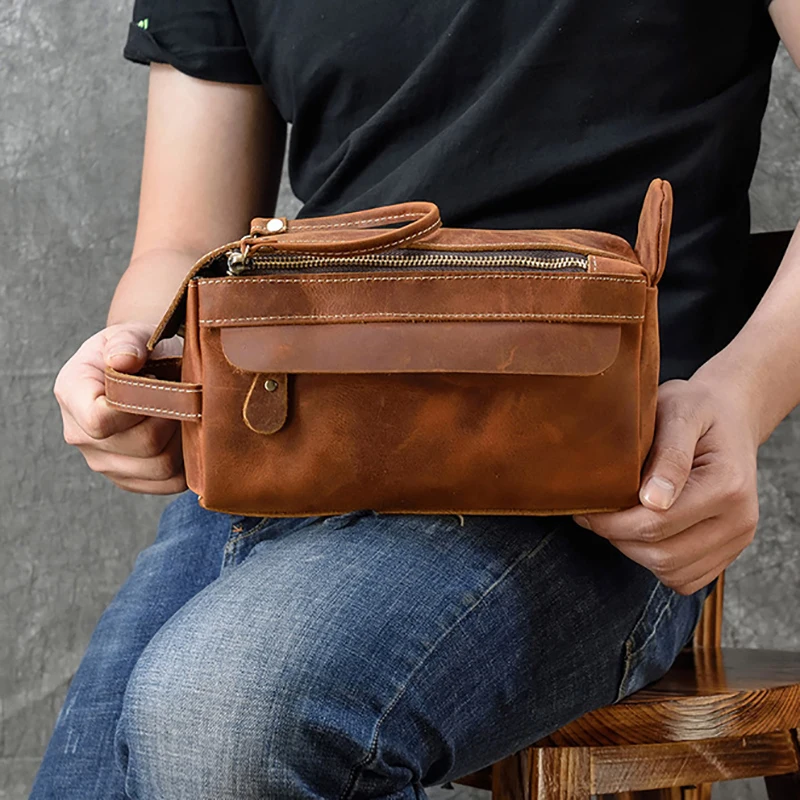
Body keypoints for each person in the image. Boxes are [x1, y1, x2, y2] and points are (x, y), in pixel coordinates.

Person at [32, 0, 800, 798]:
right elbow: (184, 244)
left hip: (597, 487)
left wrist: (739, 397)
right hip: (281, 445)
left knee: (224, 716)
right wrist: (135, 355)